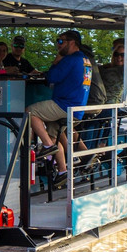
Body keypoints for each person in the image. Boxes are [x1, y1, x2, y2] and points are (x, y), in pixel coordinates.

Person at [25, 30, 91, 185]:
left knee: (30, 111)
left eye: (61, 41)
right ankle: (62, 171)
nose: (58, 45)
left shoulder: (69, 60)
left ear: (72, 43)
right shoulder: (85, 59)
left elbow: (51, 77)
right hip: (76, 109)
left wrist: (56, 61)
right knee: (54, 135)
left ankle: (47, 147)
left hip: (65, 105)